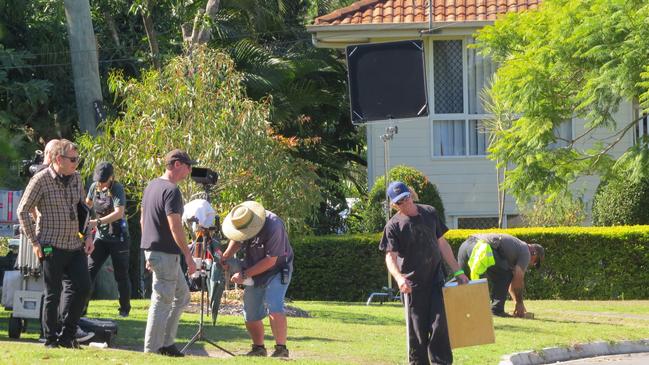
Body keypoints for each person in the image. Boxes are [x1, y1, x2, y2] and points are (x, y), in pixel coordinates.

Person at [379, 181, 468, 365]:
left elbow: (442, 244)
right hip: (412, 288)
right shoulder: (393, 226)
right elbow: (390, 257)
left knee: (439, 326)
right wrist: (399, 278)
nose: (406, 202)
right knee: (417, 334)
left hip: (436, 281)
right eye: (400, 202)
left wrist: (458, 270)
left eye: (407, 197)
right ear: (394, 205)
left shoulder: (430, 213)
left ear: (411, 194)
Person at [17, 139, 94, 349]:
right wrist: (34, 241)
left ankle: (68, 335)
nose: (76, 163)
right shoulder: (40, 179)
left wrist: (87, 236)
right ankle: (50, 339)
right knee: (53, 292)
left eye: (78, 159)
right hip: (50, 245)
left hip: (74, 244)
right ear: (59, 159)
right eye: (73, 159)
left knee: (84, 287)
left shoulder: (77, 177)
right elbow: (22, 210)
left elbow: (82, 210)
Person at [140, 149, 197, 357]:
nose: (190, 171)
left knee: (182, 296)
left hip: (156, 252)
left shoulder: (151, 186)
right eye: (188, 166)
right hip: (164, 253)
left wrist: (148, 250)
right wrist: (189, 257)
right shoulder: (171, 190)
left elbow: (142, 220)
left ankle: (166, 343)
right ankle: (152, 350)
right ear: (176, 164)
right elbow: (175, 227)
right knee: (162, 299)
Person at [221, 201, 293, 358]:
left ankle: (281, 350)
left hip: (277, 269)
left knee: (274, 304)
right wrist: (226, 256)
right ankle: (258, 349)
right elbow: (237, 238)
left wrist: (244, 275)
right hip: (255, 269)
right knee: (250, 311)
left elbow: (270, 261)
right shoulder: (243, 222)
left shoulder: (274, 225)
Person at [457, 233, 545, 318]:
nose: (532, 264)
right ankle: (496, 310)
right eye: (535, 262)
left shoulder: (516, 246)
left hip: (465, 246)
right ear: (534, 253)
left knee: (463, 279)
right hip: (481, 248)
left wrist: (516, 302)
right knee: (505, 274)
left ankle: (452, 305)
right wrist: (519, 303)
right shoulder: (526, 252)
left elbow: (512, 282)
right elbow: (517, 280)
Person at [84, 162, 131, 317]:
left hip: (119, 238)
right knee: (89, 271)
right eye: (99, 180)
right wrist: (85, 224)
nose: (101, 183)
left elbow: (119, 212)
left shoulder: (117, 188)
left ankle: (124, 309)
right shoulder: (94, 187)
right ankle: (82, 307)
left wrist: (97, 222)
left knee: (121, 275)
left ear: (111, 177)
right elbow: (87, 206)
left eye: (104, 180)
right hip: (101, 237)